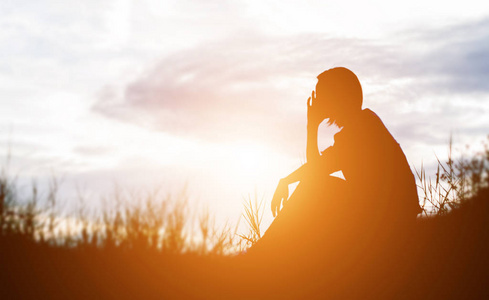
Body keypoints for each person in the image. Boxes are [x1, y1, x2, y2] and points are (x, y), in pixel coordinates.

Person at [250, 67, 422, 258]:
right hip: (386, 219)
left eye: (321, 94)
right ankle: (266, 253)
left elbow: (316, 174)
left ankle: (261, 255)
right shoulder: (361, 124)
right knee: (317, 187)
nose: (316, 101)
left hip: (389, 224)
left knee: (316, 188)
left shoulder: (363, 127)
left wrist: (312, 125)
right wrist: (286, 180)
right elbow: (320, 166)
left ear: (336, 97)